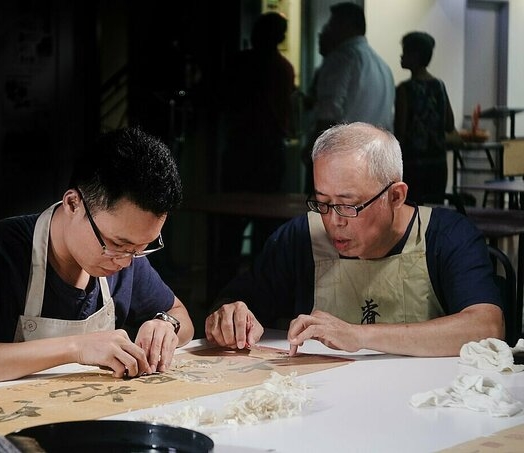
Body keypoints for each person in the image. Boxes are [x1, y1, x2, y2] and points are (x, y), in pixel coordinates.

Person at [0, 127, 194, 388]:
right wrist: (76, 348)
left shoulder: (128, 257)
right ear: (73, 203)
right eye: (116, 244)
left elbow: (180, 317)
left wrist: (164, 325)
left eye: (142, 247)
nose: (125, 261)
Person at [205, 122, 504, 357]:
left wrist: (357, 335)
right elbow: (235, 302)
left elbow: (487, 327)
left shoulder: (444, 236)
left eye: (349, 205)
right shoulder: (301, 238)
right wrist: (230, 317)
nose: (334, 221)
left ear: (395, 196)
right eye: (322, 202)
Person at [215, 11, 296, 298]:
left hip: (240, 146)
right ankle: (262, 294)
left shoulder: (240, 62)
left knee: (228, 227)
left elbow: (223, 99)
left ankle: (221, 289)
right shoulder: (283, 68)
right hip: (270, 150)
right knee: (266, 227)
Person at [301, 2, 395, 194]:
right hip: (375, 166)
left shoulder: (341, 59)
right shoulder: (383, 66)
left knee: (322, 221)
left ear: (347, 26)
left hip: (340, 166)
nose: (326, 29)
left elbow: (328, 114)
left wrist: (313, 151)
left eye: (331, 24)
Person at [394, 31, 456, 204]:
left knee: (412, 214)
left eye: (405, 51)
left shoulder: (405, 90)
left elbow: (400, 131)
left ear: (416, 56)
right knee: (434, 212)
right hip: (438, 163)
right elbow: (449, 124)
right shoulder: (439, 86)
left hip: (413, 164)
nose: (401, 55)